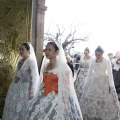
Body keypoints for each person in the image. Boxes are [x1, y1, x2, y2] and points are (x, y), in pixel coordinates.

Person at [28, 42, 83, 120]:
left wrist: (64, 105)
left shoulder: (63, 67)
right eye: (46, 49)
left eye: (49, 50)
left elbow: (67, 88)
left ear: (57, 52)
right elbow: (43, 83)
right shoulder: (46, 66)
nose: (46, 52)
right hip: (44, 94)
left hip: (56, 99)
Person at [80, 46, 120, 120]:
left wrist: (111, 86)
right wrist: (86, 83)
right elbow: (89, 72)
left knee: (103, 99)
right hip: (93, 81)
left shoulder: (106, 60)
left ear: (102, 54)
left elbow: (110, 74)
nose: (97, 56)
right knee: (91, 98)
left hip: (103, 81)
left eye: (99, 55)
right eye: (96, 54)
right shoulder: (93, 60)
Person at [2, 42, 39, 120]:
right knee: (13, 104)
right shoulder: (20, 60)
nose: (21, 51)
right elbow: (17, 73)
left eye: (23, 49)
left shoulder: (31, 61)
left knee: (22, 106)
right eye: (20, 49)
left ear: (28, 50)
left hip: (26, 87)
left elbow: (34, 77)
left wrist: (32, 91)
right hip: (16, 85)